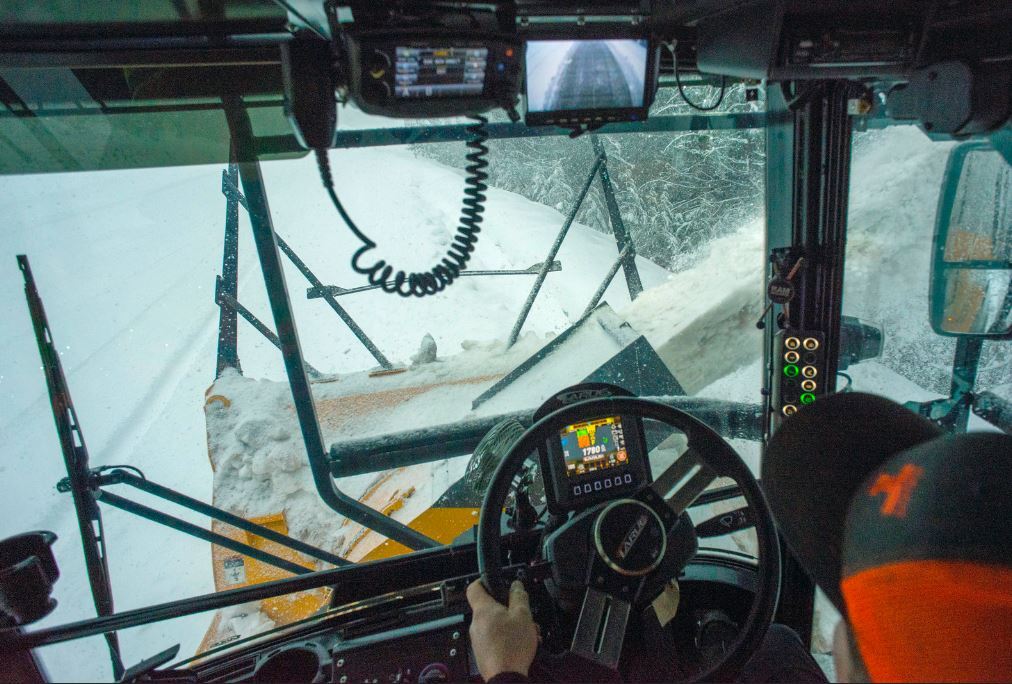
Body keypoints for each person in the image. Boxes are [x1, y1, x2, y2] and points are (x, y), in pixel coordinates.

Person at [467, 392, 1011, 681]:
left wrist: (505, 669)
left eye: (858, 619)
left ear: (850, 658)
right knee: (772, 643)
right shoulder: (781, 661)